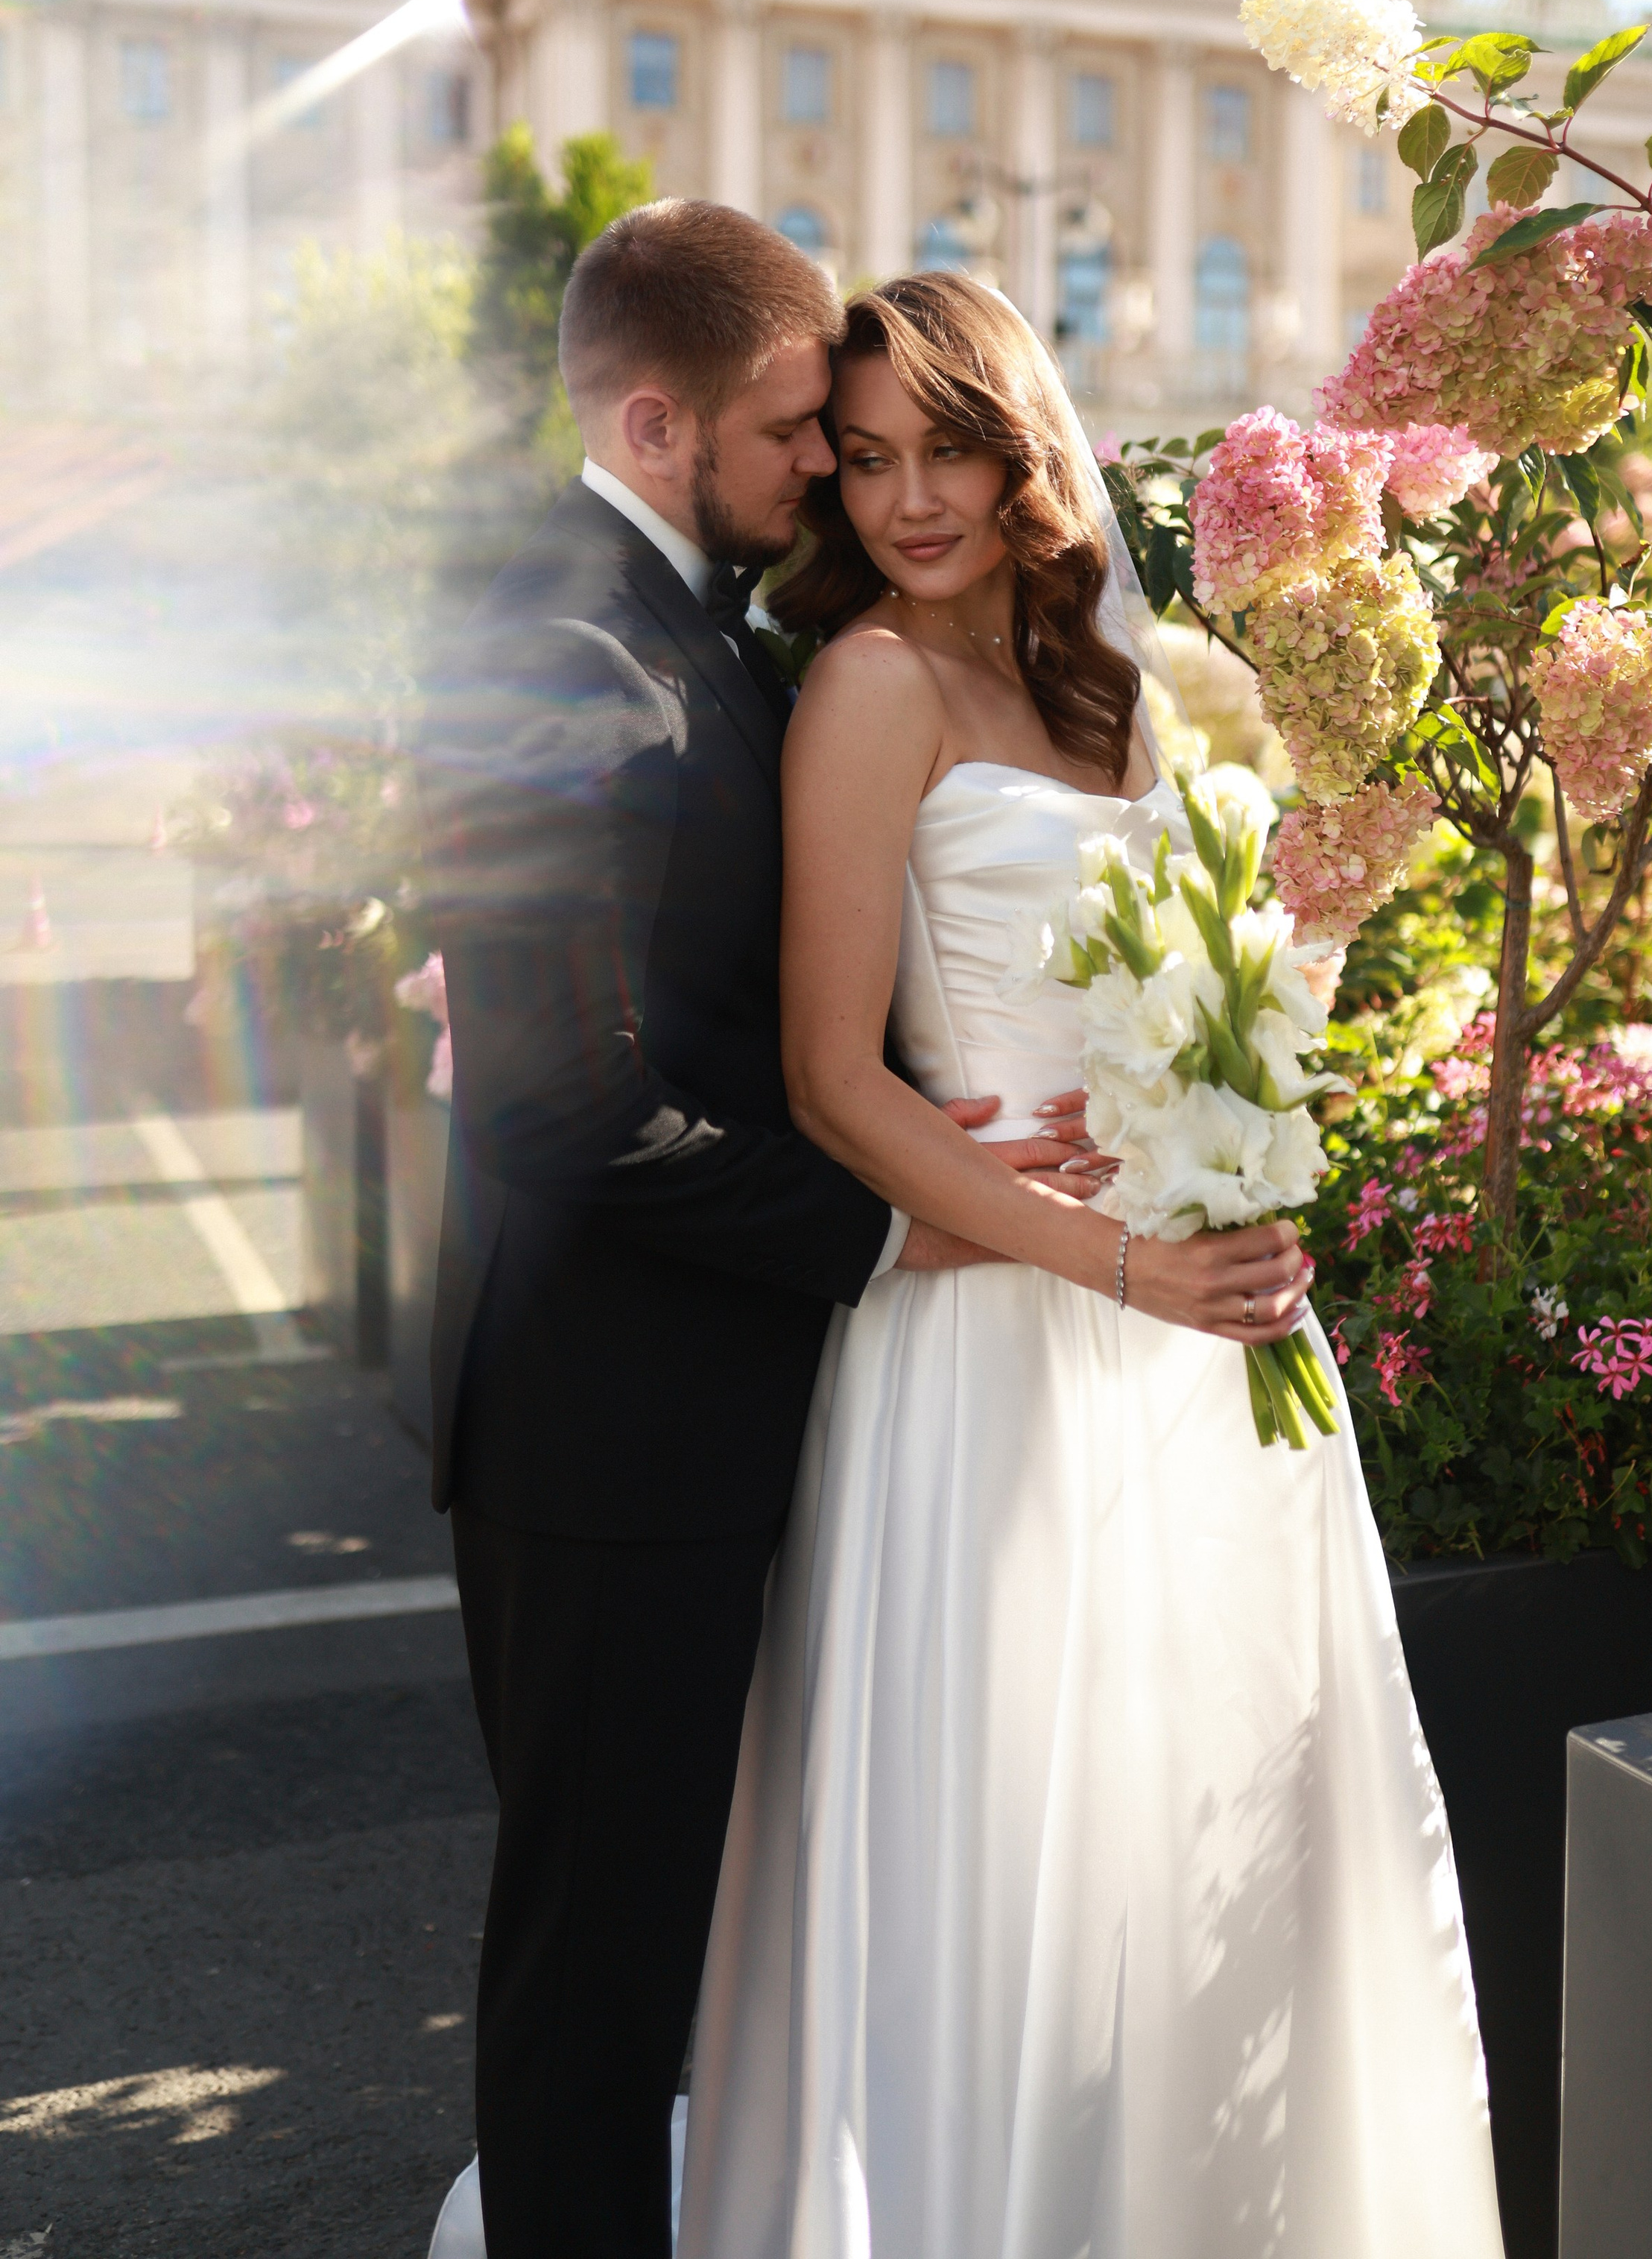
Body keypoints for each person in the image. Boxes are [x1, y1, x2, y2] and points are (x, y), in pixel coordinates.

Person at [415, 204, 1308, 2259]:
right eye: (807, 433)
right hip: (604, 1432)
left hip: (748, 1401)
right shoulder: (549, 649)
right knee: (597, 1969)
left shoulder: (712, 632)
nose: (835, 472)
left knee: (713, 1940)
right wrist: (919, 1227)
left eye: (897, 440)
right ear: (664, 425)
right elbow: (566, 1104)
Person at [675, 274, 1504, 2259]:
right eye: (863, 460)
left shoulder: (1125, 687)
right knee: (1019, 1851)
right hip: (995, 1347)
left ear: (1018, 439)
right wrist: (1103, 1257)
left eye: (942, 446)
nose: (906, 500)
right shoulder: (870, 688)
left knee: (1214, 1826)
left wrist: (1239, 1147)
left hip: (1203, 1338)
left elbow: (1230, 981)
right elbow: (827, 1074)